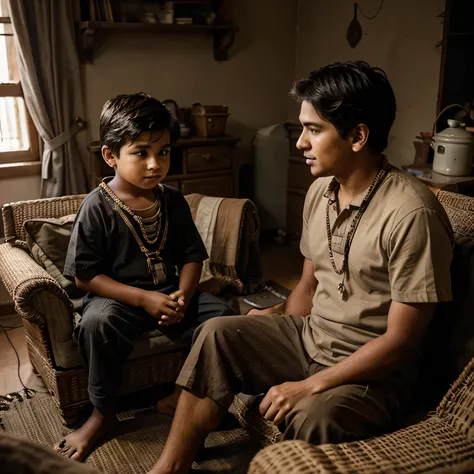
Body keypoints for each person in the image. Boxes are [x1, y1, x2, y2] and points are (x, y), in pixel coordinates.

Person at [148, 61, 454, 474]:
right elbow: (308, 287)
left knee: (315, 417)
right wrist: (272, 332)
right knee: (219, 331)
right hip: (312, 337)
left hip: (375, 373)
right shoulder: (319, 192)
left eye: (314, 129)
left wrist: (310, 384)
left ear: (358, 136)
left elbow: (401, 343)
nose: (300, 144)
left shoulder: (411, 213)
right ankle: (172, 466)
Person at [55, 93, 236, 462]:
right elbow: (86, 277)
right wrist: (142, 299)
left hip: (170, 292)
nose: (156, 165)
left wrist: (183, 296)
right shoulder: (97, 207)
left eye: (164, 152)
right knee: (96, 324)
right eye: (141, 153)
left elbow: (191, 257)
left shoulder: (173, 200)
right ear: (111, 156)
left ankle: (184, 399)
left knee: (222, 319)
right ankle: (102, 413)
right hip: (117, 299)